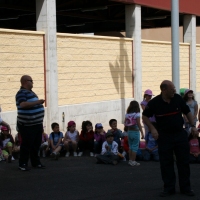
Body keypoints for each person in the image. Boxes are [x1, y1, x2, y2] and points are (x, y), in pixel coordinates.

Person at [142, 80, 197, 197]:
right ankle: (169, 188)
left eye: (175, 90)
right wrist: (152, 129)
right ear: (164, 90)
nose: (174, 92)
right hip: (164, 136)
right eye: (172, 90)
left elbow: (187, 112)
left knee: (183, 162)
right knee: (166, 163)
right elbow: (145, 116)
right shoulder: (154, 103)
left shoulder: (177, 98)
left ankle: (186, 188)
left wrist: (193, 126)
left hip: (179, 134)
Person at [16, 75, 45, 171]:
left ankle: (35, 162)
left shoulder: (31, 92)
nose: (33, 83)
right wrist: (37, 102)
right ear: (25, 81)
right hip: (27, 125)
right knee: (26, 144)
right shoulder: (21, 93)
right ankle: (23, 164)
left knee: (36, 144)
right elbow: (23, 104)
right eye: (31, 81)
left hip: (37, 124)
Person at [125, 101, 144, 166]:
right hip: (135, 131)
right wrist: (142, 132)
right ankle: (133, 160)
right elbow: (138, 124)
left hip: (129, 131)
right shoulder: (137, 114)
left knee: (130, 146)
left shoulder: (127, 114)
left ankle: (130, 160)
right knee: (135, 147)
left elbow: (125, 123)